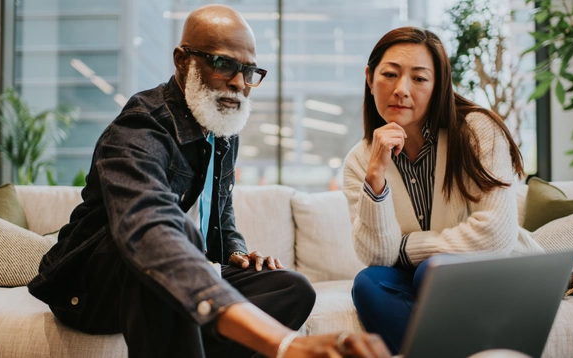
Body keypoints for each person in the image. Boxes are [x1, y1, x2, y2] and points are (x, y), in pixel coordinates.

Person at [27, 5, 390, 358]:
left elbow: (222, 209)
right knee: (172, 236)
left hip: (175, 273)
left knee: (292, 289)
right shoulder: (140, 126)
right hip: (92, 291)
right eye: (223, 64)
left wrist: (234, 250)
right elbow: (149, 226)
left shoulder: (222, 130)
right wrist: (284, 343)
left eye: (249, 71)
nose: (238, 82)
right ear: (182, 60)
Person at [342, 27, 544, 355]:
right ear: (369, 77)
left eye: (419, 79)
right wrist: (376, 176)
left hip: (494, 269)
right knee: (369, 283)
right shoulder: (359, 160)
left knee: (433, 272)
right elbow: (379, 256)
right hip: (425, 276)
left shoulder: (477, 130)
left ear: (439, 86)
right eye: (390, 74)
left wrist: (409, 250)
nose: (401, 90)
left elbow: (495, 234)